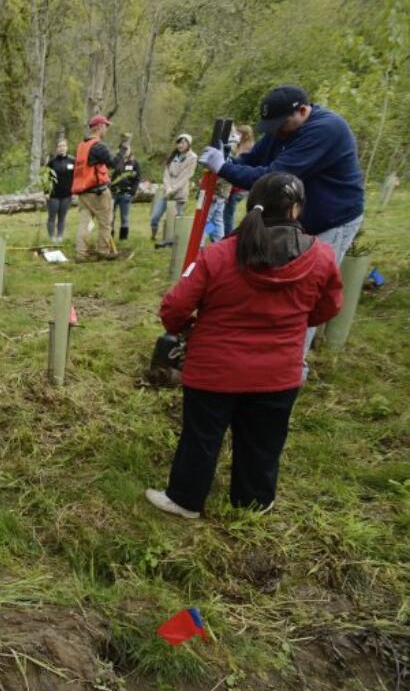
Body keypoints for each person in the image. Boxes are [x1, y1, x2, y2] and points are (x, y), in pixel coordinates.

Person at [145, 173, 342, 519]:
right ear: (296, 210)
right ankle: (254, 503)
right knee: (263, 442)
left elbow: (173, 307)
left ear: (252, 206)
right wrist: (291, 322)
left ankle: (185, 499)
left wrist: (186, 328)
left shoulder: (216, 255)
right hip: (278, 374)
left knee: (201, 437)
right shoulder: (322, 257)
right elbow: (328, 308)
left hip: (213, 372)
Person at [200, 86, 365, 379]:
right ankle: (265, 351)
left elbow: (272, 177)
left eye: (281, 125)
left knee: (307, 289)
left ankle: (291, 370)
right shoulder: (282, 129)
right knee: (278, 283)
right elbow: (252, 161)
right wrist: (227, 160)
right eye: (271, 127)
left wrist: (224, 168)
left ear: (302, 111)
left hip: (332, 219)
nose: (276, 132)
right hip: (297, 217)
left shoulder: (325, 130)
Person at [71, 114, 119, 261]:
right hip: (97, 192)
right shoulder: (98, 146)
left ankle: (81, 254)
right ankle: (103, 251)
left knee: (84, 223)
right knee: (105, 222)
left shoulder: (82, 145)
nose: (106, 130)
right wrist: (123, 150)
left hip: (83, 192)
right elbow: (115, 164)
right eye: (105, 126)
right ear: (98, 127)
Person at [149, 134, 197, 243]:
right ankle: (153, 235)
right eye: (179, 142)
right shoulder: (173, 156)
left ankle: (176, 241)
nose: (180, 145)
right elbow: (166, 174)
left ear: (189, 144)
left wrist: (173, 189)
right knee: (155, 216)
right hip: (167, 192)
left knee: (177, 219)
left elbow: (185, 176)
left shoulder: (192, 158)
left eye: (183, 142)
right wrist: (168, 187)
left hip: (180, 193)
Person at [44, 139, 75, 244]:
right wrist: (46, 192)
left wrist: (75, 190)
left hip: (67, 195)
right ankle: (52, 237)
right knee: (52, 217)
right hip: (53, 195)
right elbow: (46, 178)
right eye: (59, 146)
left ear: (67, 147)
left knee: (62, 217)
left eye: (63, 146)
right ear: (57, 148)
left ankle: (60, 236)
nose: (61, 148)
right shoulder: (52, 162)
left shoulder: (72, 161)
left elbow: (76, 177)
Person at [111, 138, 141, 241]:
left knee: (124, 217)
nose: (126, 151)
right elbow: (110, 175)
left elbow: (137, 179)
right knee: (110, 216)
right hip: (113, 193)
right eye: (123, 149)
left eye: (127, 148)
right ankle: (109, 237)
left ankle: (123, 239)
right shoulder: (114, 161)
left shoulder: (134, 163)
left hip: (126, 193)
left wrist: (132, 191)